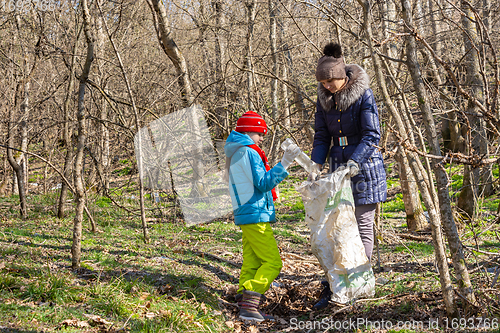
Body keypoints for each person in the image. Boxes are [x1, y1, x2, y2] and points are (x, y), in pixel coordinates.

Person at [309, 43, 387, 309]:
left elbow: (372, 135)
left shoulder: (364, 94)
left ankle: (358, 284)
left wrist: (355, 162)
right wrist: (315, 165)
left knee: (362, 225)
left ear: (342, 75)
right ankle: (335, 283)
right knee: (336, 227)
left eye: (331, 80)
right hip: (337, 170)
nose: (327, 86)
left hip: (365, 167)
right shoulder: (323, 100)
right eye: (323, 82)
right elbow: (322, 136)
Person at [224, 111, 300, 322]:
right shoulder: (248, 152)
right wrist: (284, 163)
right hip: (255, 214)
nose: (262, 139)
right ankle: (250, 302)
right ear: (249, 132)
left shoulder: (237, 151)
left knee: (252, 261)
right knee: (273, 262)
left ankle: (243, 301)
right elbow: (264, 183)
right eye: (260, 134)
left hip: (247, 213)